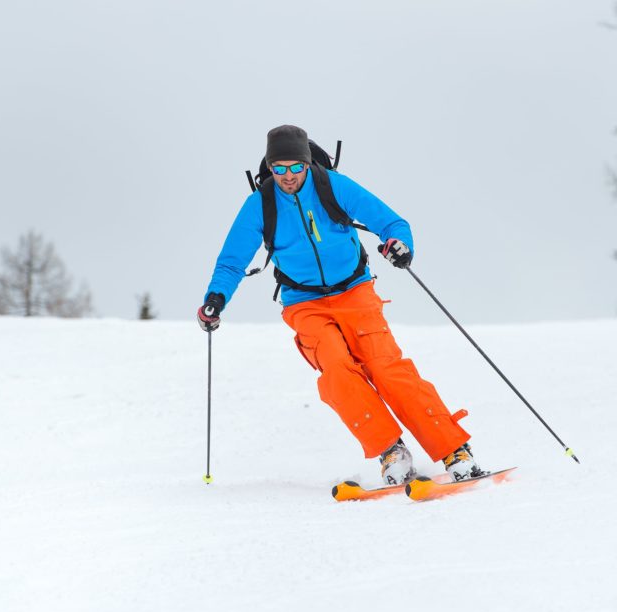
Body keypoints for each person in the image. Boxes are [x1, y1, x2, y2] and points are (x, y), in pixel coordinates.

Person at [198, 124, 484, 485]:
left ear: (306, 163)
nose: (288, 176)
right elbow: (232, 261)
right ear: (269, 168)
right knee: (336, 369)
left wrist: (398, 243)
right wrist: (215, 299)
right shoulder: (261, 204)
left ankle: (453, 450)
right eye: (279, 169)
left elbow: (391, 222)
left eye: (295, 167)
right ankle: (391, 452)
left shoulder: (333, 185)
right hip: (303, 301)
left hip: (354, 290)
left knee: (385, 367)